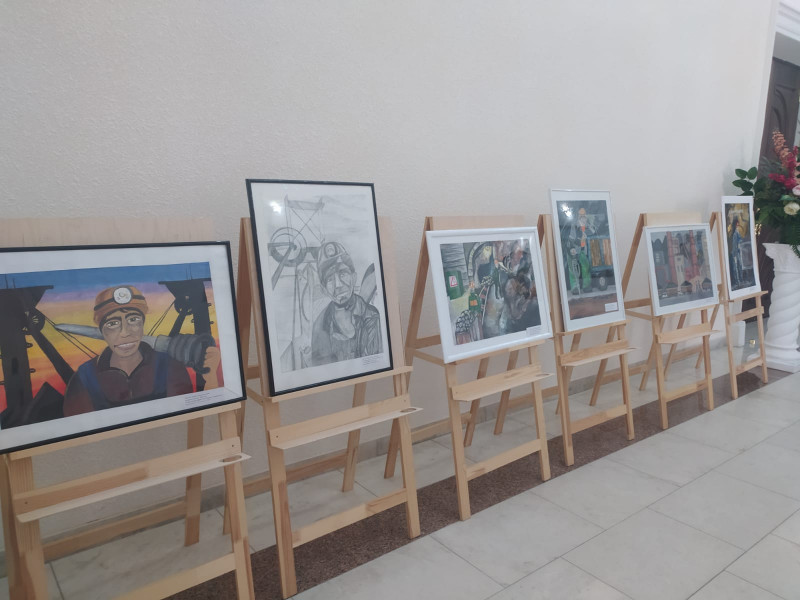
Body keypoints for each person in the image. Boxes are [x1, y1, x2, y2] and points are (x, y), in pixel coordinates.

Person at [63, 285, 220, 416]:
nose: (125, 333)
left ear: (142, 325)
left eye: (133, 320)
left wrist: (211, 377)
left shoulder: (170, 366)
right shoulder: (84, 378)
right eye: (112, 323)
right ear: (101, 331)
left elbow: (188, 414)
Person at [310, 241, 382, 366]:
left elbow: (376, 363)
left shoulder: (372, 316)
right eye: (330, 279)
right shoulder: (320, 326)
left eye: (342, 274)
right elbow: (323, 370)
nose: (338, 285)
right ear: (324, 289)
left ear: (354, 277)